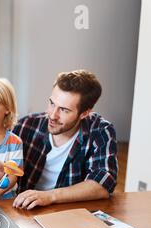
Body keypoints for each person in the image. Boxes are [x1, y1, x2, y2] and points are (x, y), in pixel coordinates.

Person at [12, 70, 118, 210]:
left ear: (85, 113)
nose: (52, 115)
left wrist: (50, 196)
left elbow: (102, 184)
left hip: (67, 212)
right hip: (23, 209)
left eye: (64, 110)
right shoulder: (25, 126)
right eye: (51, 103)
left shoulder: (101, 131)